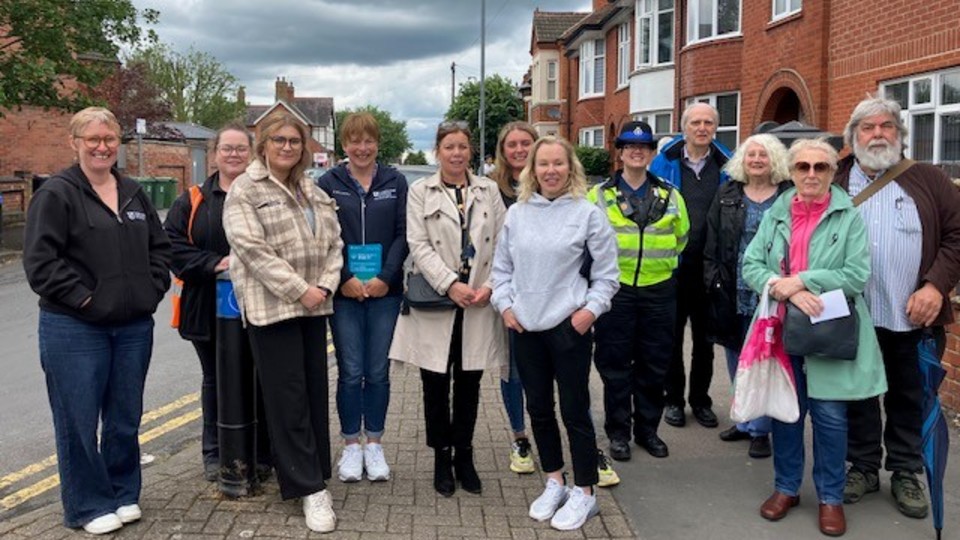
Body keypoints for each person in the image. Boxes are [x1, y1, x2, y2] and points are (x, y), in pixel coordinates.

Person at [23, 107, 171, 534]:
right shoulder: (57, 193)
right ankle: (87, 505)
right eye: (93, 139)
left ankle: (123, 493)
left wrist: (151, 289)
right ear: (75, 143)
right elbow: (41, 263)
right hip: (74, 327)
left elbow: (159, 249)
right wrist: (87, 299)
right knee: (78, 420)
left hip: (132, 327)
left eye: (110, 139)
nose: (103, 146)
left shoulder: (133, 193)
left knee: (125, 417)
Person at [742, 138, 887, 537]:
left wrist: (802, 282)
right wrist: (781, 287)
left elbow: (856, 275)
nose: (810, 174)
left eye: (819, 167)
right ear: (790, 172)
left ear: (830, 172)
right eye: (802, 166)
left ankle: (830, 497)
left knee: (830, 418)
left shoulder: (848, 215)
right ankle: (786, 488)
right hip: (782, 330)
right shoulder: (777, 212)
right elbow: (751, 264)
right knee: (786, 414)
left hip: (829, 329)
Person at [835, 96, 960, 519]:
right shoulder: (834, 179)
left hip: (914, 316)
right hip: (854, 317)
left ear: (900, 135)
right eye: (867, 128)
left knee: (911, 395)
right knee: (859, 395)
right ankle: (864, 466)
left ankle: (906, 471)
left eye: (886, 126)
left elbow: (957, 236)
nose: (877, 134)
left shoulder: (927, 179)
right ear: (853, 136)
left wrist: (936, 286)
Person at [223, 113, 343, 533]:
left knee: (313, 392)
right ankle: (307, 488)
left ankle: (316, 475)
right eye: (280, 140)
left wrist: (325, 287)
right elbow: (252, 251)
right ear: (264, 144)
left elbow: (335, 243)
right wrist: (300, 289)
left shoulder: (312, 188)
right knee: (288, 398)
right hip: (273, 308)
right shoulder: (245, 189)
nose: (288, 147)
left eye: (295, 141)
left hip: (315, 305)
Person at [492, 136, 619, 530]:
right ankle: (554, 481)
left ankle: (585, 491)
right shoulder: (518, 214)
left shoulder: (588, 214)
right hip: (526, 327)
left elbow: (607, 276)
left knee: (575, 410)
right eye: (542, 164)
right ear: (532, 169)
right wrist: (506, 306)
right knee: (539, 410)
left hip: (569, 327)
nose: (550, 171)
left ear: (571, 168)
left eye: (557, 164)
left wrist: (588, 313)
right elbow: (501, 270)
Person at [389, 121, 507, 498]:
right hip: (438, 300)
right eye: (449, 147)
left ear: (470, 151)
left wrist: (488, 287)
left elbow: (505, 243)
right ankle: (441, 456)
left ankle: (465, 456)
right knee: (435, 384)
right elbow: (417, 244)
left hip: (478, 302)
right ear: (437, 151)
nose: (456, 153)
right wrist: (450, 284)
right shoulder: (421, 191)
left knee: (470, 383)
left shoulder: (488, 190)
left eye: (462, 146)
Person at [164, 123, 271, 483]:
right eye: (227, 148)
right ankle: (215, 454)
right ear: (214, 154)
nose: (234, 154)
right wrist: (216, 264)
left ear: (252, 153)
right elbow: (172, 248)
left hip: (259, 305)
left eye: (241, 148)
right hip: (206, 307)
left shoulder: (265, 194)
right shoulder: (192, 200)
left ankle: (260, 454)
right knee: (215, 381)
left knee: (258, 379)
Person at [589, 121, 690, 460]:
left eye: (644, 146)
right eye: (629, 146)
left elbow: (681, 239)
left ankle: (648, 431)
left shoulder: (670, 195)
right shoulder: (598, 195)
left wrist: (657, 269)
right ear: (620, 152)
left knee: (654, 365)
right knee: (614, 366)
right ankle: (618, 434)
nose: (636, 151)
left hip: (659, 292)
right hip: (615, 293)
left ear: (650, 154)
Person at [317, 112, 408, 483]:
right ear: (344, 145)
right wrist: (343, 278)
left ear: (377, 143)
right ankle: (351, 445)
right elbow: (321, 237)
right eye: (355, 141)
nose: (362, 147)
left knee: (378, 371)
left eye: (368, 140)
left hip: (386, 293)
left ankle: (375, 443)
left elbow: (404, 233)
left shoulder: (395, 181)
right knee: (351, 371)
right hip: (344, 293)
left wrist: (387, 277)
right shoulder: (328, 182)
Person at [704, 134, 792, 459]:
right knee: (737, 355)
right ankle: (744, 418)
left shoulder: (788, 196)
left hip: (771, 291)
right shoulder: (727, 193)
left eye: (763, 155)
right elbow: (712, 241)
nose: (757, 160)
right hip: (731, 287)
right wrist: (711, 279)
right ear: (743, 159)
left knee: (766, 358)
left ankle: (761, 429)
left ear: (775, 160)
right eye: (751, 154)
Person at [650, 103, 732, 429]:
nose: (702, 128)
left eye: (708, 122)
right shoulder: (664, 162)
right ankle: (673, 400)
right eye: (696, 122)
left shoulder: (728, 164)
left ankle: (701, 400)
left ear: (715, 127)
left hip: (712, 266)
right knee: (670, 339)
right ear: (684, 127)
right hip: (675, 265)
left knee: (705, 340)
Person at [489, 121, 537, 474]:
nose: (519, 150)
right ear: (502, 152)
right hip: (509, 294)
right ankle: (520, 437)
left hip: (551, 294)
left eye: (526, 143)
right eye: (512, 145)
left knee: (557, 372)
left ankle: (566, 435)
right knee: (514, 370)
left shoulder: (553, 183)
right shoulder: (492, 190)